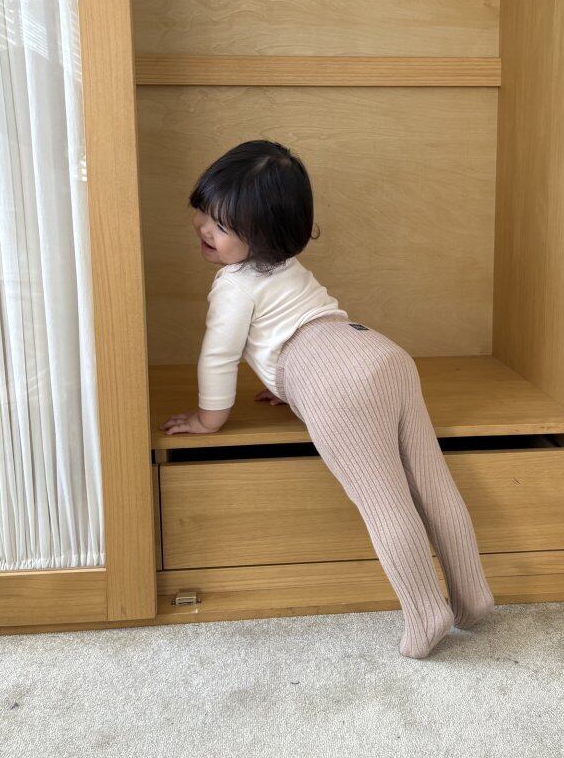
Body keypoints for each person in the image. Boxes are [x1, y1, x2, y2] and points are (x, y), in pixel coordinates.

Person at [160, 139, 495, 658]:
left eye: (221, 225)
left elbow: (220, 356)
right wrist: (291, 389)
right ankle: (472, 597)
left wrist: (210, 420)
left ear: (264, 235)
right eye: (202, 211)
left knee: (385, 503)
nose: (204, 228)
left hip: (341, 382)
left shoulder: (234, 285)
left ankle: (426, 612)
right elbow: (307, 328)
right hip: (381, 352)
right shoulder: (289, 267)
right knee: (432, 483)